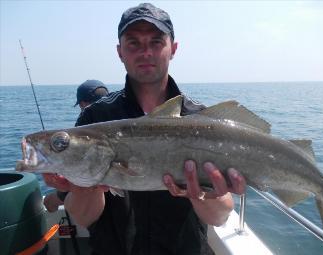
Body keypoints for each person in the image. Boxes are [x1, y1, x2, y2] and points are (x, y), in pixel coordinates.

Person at [43, 3, 246, 255]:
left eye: (156, 42)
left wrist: (201, 194)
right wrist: (83, 183)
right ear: (120, 52)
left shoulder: (201, 120)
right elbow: (84, 218)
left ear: (173, 48)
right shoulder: (96, 117)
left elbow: (219, 216)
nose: (145, 52)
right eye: (134, 43)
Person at [43, 80, 109, 213]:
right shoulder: (121, 116)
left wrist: (53, 200)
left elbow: (80, 179)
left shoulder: (84, 123)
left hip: (99, 199)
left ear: (82, 103)